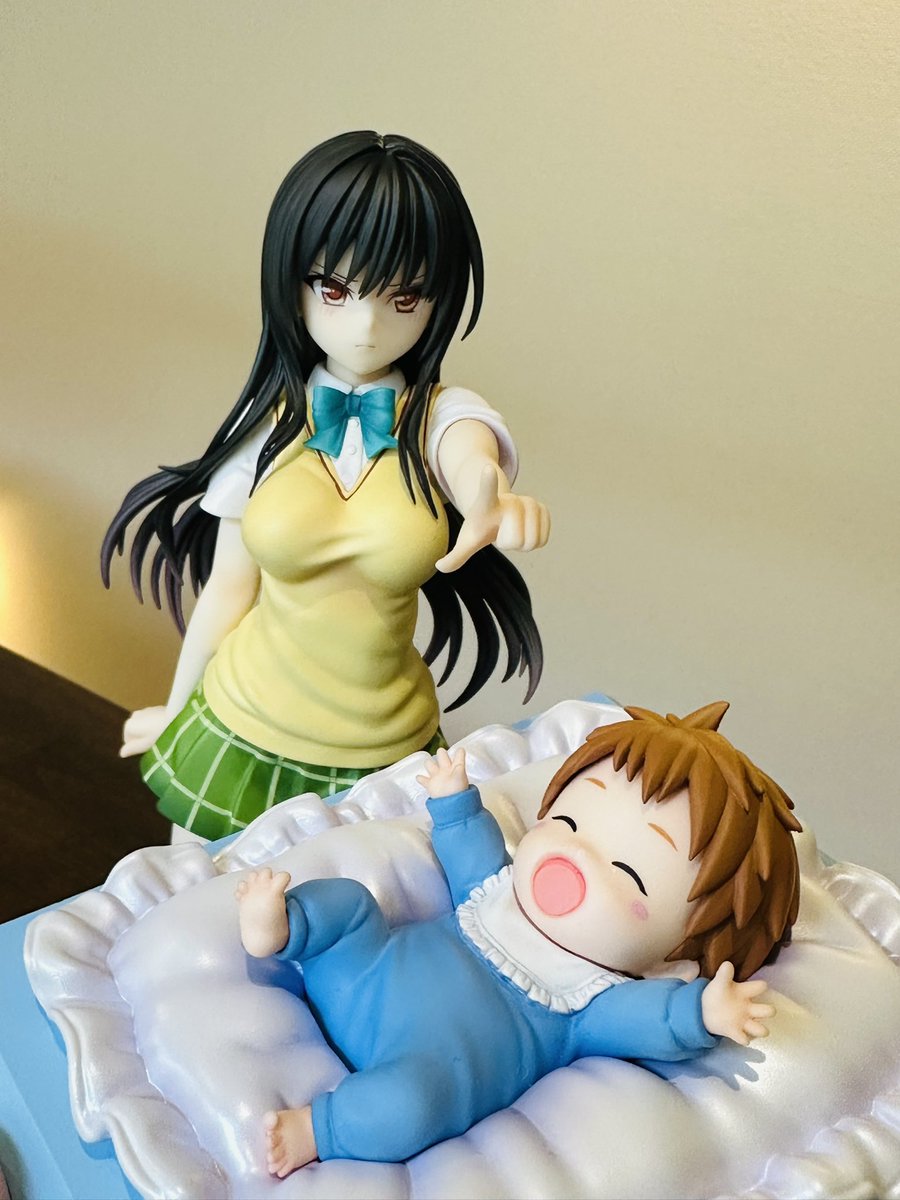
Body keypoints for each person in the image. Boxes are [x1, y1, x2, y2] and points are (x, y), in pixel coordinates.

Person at [101, 132, 549, 839]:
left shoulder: (437, 417)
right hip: (239, 724)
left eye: (405, 297)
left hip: (383, 749)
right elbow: (227, 589)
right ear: (291, 283)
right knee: (204, 893)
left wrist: (486, 493)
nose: (367, 326)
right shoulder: (266, 423)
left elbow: (470, 451)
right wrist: (176, 709)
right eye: (334, 290)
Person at [236, 701, 801, 1173]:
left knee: (411, 1109)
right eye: (567, 824)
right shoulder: (496, 891)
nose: (574, 855)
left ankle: (320, 1129)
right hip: (360, 971)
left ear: (670, 964)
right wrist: (454, 800)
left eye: (628, 874)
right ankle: (283, 927)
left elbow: (657, 1019)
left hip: (420, 1065)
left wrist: (705, 1012)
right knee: (350, 904)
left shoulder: (588, 1000)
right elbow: (469, 846)